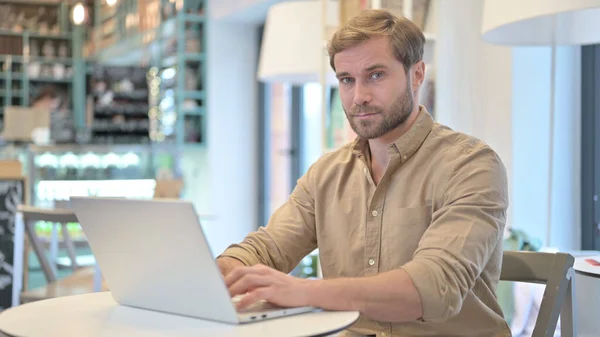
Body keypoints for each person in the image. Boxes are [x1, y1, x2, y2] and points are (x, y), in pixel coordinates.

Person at [217, 9, 510, 337]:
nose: (359, 97)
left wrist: (302, 292)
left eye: (376, 75)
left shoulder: (471, 165)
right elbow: (267, 248)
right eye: (347, 80)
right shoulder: (326, 174)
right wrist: (217, 275)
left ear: (416, 74)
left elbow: (434, 287)